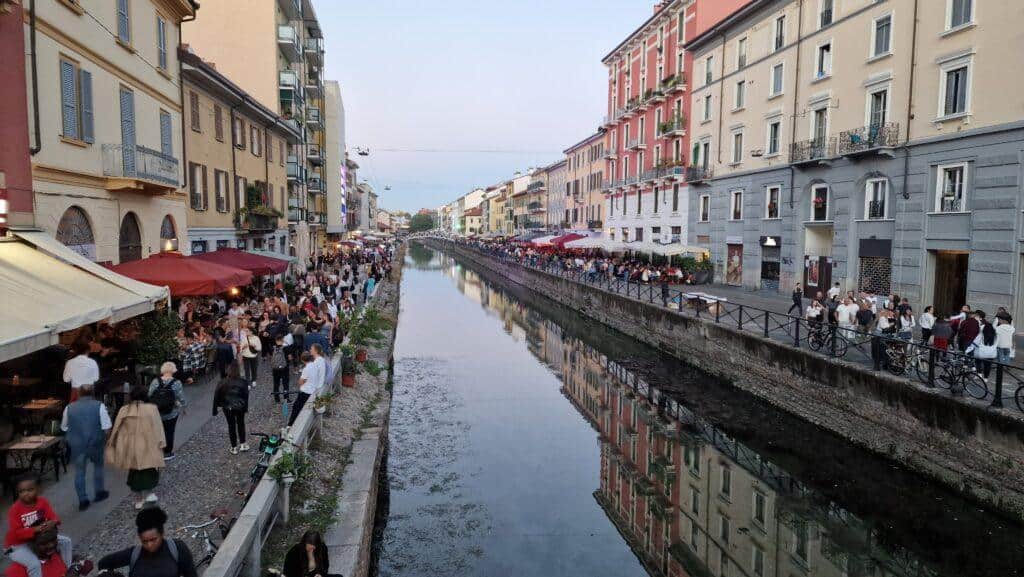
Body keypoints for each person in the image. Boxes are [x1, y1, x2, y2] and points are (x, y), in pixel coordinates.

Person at [107, 386, 166, 509]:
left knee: (134, 471)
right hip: (147, 443)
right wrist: (161, 442)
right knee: (149, 468)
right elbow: (158, 426)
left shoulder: (124, 410)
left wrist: (112, 442)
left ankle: (138, 499)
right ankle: (148, 493)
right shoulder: (152, 409)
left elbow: (116, 426)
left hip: (130, 445)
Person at [5, 475, 74, 576]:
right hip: (17, 545)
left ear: (38, 489)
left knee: (66, 541)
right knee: (34, 564)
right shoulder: (14, 510)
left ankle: (67, 569)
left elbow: (54, 517)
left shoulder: (42, 502)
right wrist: (35, 529)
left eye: (30, 490)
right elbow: (17, 534)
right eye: (21, 491)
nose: (26, 494)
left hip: (36, 539)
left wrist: (53, 522)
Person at [98, 508, 198, 577]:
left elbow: (191, 574)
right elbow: (104, 563)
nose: (149, 545)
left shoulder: (177, 548)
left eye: (153, 540)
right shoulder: (134, 554)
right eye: (144, 541)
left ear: (162, 534)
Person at [60, 383, 111, 510]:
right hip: (95, 443)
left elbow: (64, 427)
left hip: (77, 445)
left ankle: (83, 500)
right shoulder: (99, 406)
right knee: (98, 467)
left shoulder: (69, 407)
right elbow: (106, 427)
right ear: (93, 393)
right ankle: (99, 492)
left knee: (79, 472)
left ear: (78, 393)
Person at [148, 362, 185, 461]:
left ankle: (157, 449)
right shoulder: (177, 383)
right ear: (173, 370)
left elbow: (149, 394)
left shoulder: (155, 381)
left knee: (157, 430)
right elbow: (181, 398)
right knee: (169, 431)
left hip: (156, 411)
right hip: (171, 411)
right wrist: (184, 408)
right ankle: (167, 453)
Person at [4, 527, 72, 577]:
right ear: (30, 544)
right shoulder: (16, 571)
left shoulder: (58, 554)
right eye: (43, 543)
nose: (51, 545)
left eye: (53, 540)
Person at [212, 363, 249, 455]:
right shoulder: (243, 382)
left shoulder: (222, 382)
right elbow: (246, 396)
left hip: (227, 407)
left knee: (231, 426)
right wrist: (245, 408)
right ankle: (243, 444)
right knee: (241, 424)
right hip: (240, 407)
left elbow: (216, 396)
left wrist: (215, 409)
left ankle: (234, 447)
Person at [289, 352, 319, 427]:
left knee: (296, 408)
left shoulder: (306, 369)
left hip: (305, 392)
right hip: (313, 391)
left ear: (302, 360)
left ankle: (291, 424)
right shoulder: (315, 365)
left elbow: (302, 381)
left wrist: (299, 381)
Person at [271, 334, 292, 404]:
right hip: (284, 368)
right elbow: (290, 358)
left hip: (275, 369)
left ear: (276, 340)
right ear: (282, 340)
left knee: (276, 384)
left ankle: (277, 399)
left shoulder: (273, 348)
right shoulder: (286, 348)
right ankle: (286, 399)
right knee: (285, 383)